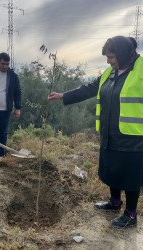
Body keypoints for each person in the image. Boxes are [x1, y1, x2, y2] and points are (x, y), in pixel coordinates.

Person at [48, 36, 143, 228]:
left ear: (124, 54)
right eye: (107, 57)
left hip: (133, 136)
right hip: (110, 133)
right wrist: (63, 96)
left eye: (111, 57)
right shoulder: (110, 73)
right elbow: (89, 89)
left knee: (131, 175)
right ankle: (115, 202)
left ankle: (131, 214)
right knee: (112, 170)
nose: (108, 61)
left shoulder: (141, 69)